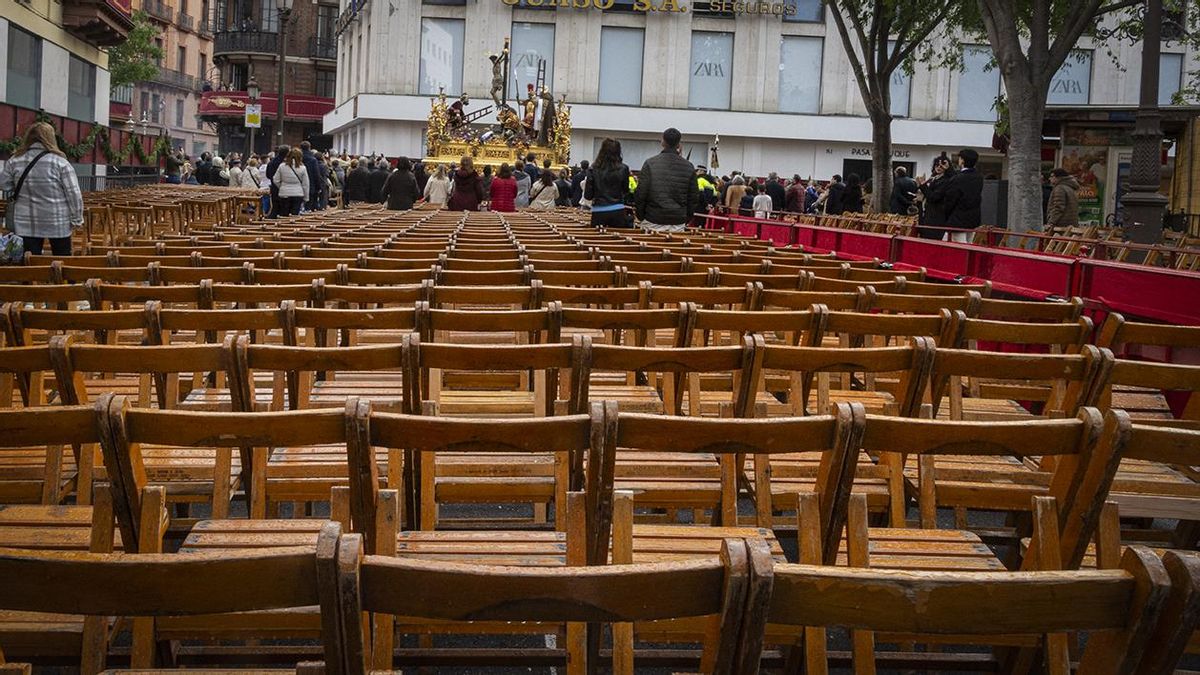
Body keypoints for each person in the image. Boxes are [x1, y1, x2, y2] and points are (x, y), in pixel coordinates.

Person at [0, 122, 83, 256]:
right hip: (57, 220)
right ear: (51, 138)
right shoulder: (60, 162)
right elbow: (74, 194)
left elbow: (3, 184)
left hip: (25, 221)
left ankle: (32, 277)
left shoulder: (15, 160)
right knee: (62, 260)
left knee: (30, 263)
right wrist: (77, 219)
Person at [634, 128, 698, 232]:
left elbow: (641, 194)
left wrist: (641, 216)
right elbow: (693, 197)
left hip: (653, 219)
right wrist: (686, 218)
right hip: (678, 221)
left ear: (662, 141)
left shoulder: (650, 163)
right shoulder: (689, 166)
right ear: (678, 144)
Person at [586, 138, 631, 229]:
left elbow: (588, 195)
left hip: (599, 211)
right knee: (617, 241)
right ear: (618, 151)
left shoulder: (593, 169)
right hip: (617, 210)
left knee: (597, 240)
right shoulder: (624, 168)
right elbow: (626, 190)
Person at [943, 148, 984, 242]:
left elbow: (950, 200)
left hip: (958, 219)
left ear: (962, 161)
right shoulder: (979, 178)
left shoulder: (957, 179)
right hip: (973, 219)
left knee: (959, 247)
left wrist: (947, 215)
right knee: (969, 245)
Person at [916, 153, 953, 239]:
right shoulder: (933, 178)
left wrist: (923, 186)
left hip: (936, 218)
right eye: (937, 165)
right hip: (927, 214)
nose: (938, 167)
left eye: (942, 166)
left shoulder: (945, 181)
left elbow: (933, 197)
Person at [271, 147, 309, 217]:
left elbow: (275, 180)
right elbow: (305, 184)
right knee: (294, 216)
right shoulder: (303, 168)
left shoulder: (282, 166)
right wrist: (306, 197)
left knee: (284, 215)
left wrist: (282, 186)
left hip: (284, 193)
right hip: (298, 193)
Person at [1044, 168, 1080, 232]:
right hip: (1070, 225)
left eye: (1052, 176)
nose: (1050, 178)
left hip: (1060, 226)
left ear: (1059, 177)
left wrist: (1051, 222)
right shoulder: (1070, 188)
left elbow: (1058, 207)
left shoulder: (1059, 188)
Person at [265, 145, 288, 217]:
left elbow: (268, 175)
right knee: (284, 210)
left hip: (274, 188)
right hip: (284, 188)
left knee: (275, 207)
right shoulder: (286, 163)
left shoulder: (271, 162)